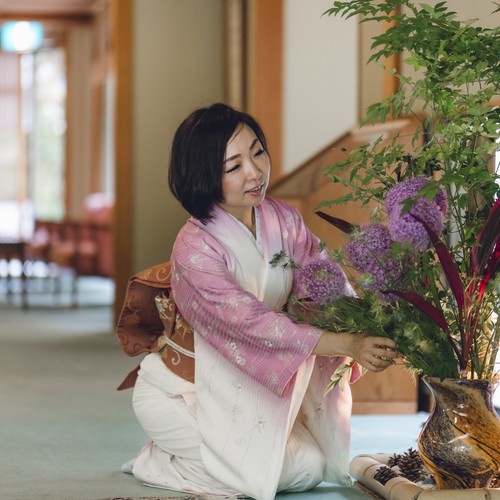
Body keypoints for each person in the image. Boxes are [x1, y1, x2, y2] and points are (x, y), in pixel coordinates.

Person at [122, 103, 399, 499]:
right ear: (204, 176)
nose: (255, 172)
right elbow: (251, 325)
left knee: (308, 467)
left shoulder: (283, 220)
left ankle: (211, 461)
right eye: (233, 167)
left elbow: (323, 278)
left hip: (246, 388)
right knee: (259, 474)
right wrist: (346, 344)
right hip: (180, 392)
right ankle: (158, 459)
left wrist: (368, 320)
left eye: (257, 152)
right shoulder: (194, 248)